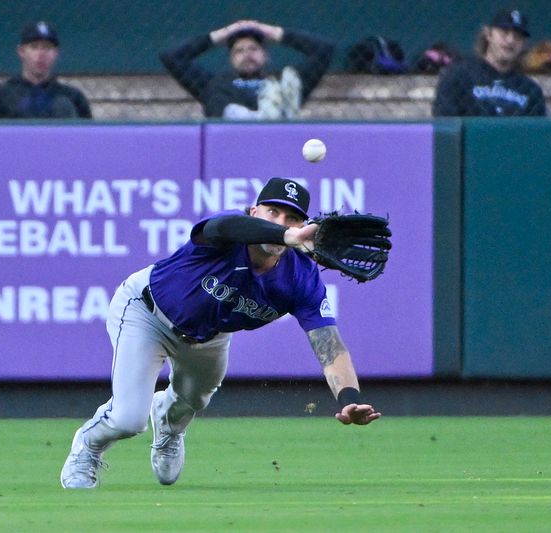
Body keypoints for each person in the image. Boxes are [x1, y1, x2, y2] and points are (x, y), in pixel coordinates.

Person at [60, 177, 381, 489]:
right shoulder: (227, 233)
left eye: (293, 218)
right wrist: (288, 235)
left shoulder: (300, 278)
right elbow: (226, 227)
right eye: (273, 212)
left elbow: (329, 346)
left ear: (305, 226)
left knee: (193, 400)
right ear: (254, 212)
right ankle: (87, 447)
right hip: (146, 313)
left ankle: (169, 428)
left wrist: (350, 399)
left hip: (208, 337)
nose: (282, 222)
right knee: (128, 419)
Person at [160, 20, 334, 120]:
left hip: (277, 140)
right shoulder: (214, 83)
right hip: (230, 141)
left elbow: (324, 51)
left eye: (253, 49)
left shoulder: (285, 79)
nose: (247, 54)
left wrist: (275, 33)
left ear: (265, 55)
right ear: (231, 59)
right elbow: (173, 58)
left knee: (288, 86)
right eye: (239, 51)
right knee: (218, 100)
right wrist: (220, 35)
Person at [432, 9, 546, 116]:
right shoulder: (458, 76)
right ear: (489, 35)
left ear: (523, 44)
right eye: (504, 32)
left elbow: (537, 132)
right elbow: (445, 122)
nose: (510, 40)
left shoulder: (531, 90)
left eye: (517, 36)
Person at [0, 21, 92, 119]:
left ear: (56, 53)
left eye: (47, 47)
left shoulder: (72, 97)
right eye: (34, 47)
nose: (41, 54)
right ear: (21, 51)